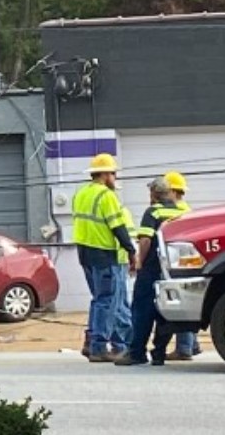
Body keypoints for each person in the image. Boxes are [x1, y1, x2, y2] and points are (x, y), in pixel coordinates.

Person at [71, 153, 139, 362]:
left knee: (99, 300)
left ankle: (93, 342)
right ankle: (99, 347)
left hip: (85, 252)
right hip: (103, 253)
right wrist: (131, 250)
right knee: (107, 301)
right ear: (105, 174)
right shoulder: (106, 196)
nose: (115, 178)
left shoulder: (80, 193)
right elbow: (117, 226)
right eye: (113, 173)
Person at [116, 176, 179, 366]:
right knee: (165, 312)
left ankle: (137, 353)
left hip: (152, 268)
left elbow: (145, 240)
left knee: (142, 310)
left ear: (154, 193)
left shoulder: (153, 212)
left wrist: (139, 261)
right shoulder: (182, 211)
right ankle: (159, 352)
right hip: (173, 270)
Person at [159, 171, 200, 360]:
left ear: (174, 192)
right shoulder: (188, 210)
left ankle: (184, 348)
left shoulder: (175, 212)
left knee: (182, 306)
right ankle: (192, 345)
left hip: (178, 262)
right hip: (188, 262)